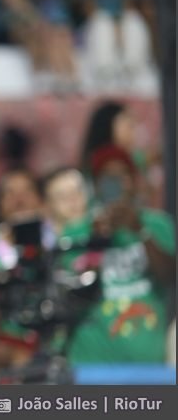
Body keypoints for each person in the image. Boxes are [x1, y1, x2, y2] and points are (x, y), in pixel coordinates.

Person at [59, 144, 175, 364]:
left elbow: (170, 276)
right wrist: (95, 242)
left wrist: (140, 230)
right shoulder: (76, 233)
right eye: (109, 179)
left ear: (135, 181)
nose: (118, 185)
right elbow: (70, 295)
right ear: (96, 186)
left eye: (124, 176)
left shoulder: (158, 225)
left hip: (147, 364)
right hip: (90, 364)